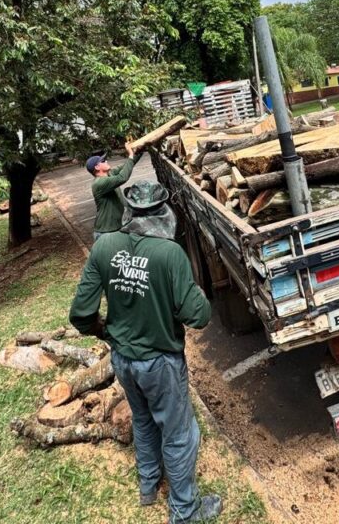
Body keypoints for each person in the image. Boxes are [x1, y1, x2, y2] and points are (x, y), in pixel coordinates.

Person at [69, 182, 220, 524]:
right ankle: (185, 512)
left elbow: (80, 313)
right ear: (163, 214)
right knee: (180, 434)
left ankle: (148, 486)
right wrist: (189, 286)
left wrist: (103, 331)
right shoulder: (170, 254)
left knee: (143, 419)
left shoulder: (104, 246)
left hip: (123, 359)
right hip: (160, 362)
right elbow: (198, 315)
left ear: (128, 212)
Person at [86, 151, 137, 242]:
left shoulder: (110, 174)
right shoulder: (99, 183)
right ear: (97, 167)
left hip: (116, 229)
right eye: (103, 161)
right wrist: (131, 155)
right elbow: (122, 178)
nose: (106, 161)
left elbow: (127, 165)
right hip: (106, 233)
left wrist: (139, 150)